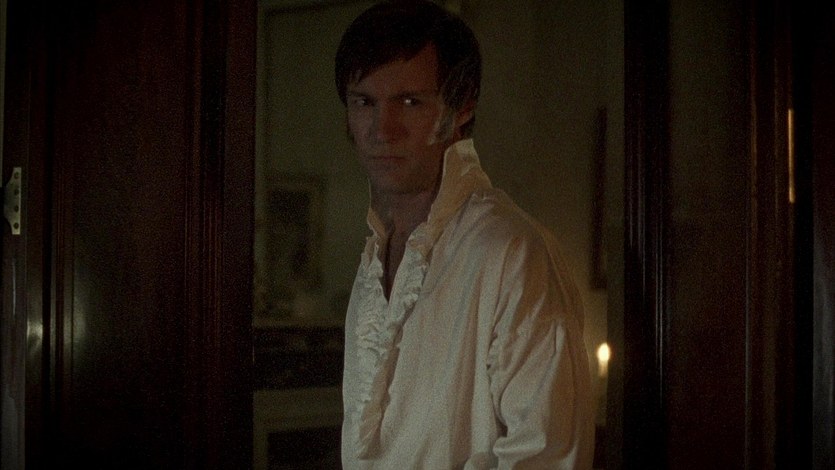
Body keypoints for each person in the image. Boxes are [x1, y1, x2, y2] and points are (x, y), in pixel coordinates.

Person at [335, 1, 594, 468]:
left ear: (461, 107)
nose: (382, 130)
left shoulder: (510, 253)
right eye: (364, 102)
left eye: (410, 102)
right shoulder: (376, 255)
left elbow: (545, 455)